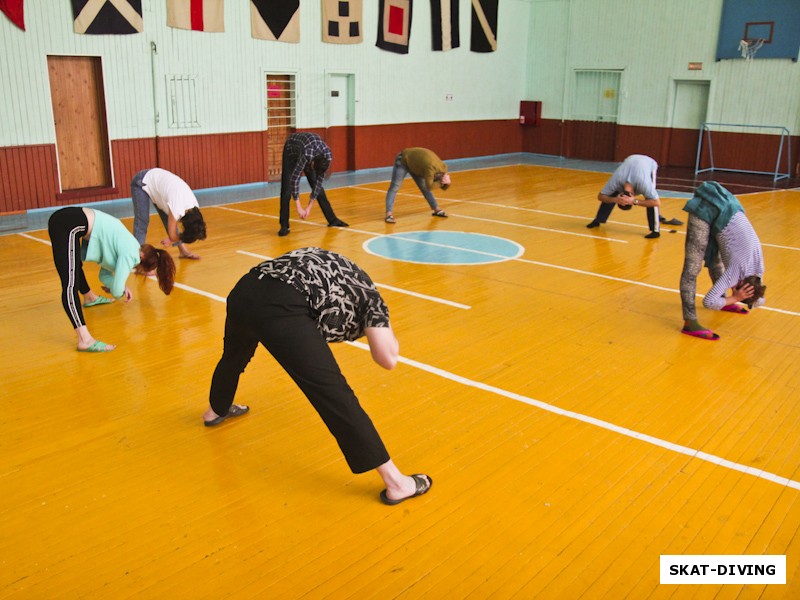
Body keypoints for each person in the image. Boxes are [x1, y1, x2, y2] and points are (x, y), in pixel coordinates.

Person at [202, 247, 432, 505]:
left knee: (234, 356)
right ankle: (397, 483)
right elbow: (387, 359)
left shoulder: (343, 271)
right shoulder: (372, 299)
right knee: (332, 392)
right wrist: (383, 325)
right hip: (282, 305)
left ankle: (216, 410)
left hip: (245, 290)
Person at [48, 206, 176, 352]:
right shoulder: (130, 254)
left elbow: (104, 275)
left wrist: (121, 287)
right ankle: (84, 339)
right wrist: (120, 290)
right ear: (142, 258)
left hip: (67, 219)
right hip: (69, 223)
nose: (136, 271)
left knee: (74, 265)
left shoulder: (131, 247)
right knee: (70, 284)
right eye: (142, 270)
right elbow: (116, 291)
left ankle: (90, 298)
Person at [679, 181, 766, 341]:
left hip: (730, 206)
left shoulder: (759, 269)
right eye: (735, 290)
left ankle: (724, 301)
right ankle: (689, 322)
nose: (733, 288)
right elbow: (708, 302)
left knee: (717, 259)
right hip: (708, 208)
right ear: (740, 283)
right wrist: (735, 298)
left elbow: (761, 299)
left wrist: (735, 297)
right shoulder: (735, 273)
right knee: (692, 269)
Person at [586, 154, 682, 239]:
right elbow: (600, 196)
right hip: (631, 159)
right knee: (610, 195)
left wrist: (635, 201)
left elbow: (657, 202)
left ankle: (655, 230)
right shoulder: (615, 182)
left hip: (649, 163)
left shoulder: (643, 184)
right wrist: (615, 199)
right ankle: (598, 220)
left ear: (633, 195)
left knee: (651, 199)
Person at [277, 132, 349, 236]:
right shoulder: (307, 154)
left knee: (318, 187)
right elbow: (295, 179)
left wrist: (309, 207)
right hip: (290, 151)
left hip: (308, 154)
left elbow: (318, 184)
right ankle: (284, 226)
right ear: (312, 163)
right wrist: (299, 207)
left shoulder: (327, 156)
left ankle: (333, 220)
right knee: (286, 190)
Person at [131, 168, 207, 259]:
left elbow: (174, 234)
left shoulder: (194, 207)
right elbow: (173, 235)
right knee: (142, 221)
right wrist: (172, 238)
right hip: (142, 181)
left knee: (170, 220)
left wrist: (173, 239)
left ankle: (183, 251)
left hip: (159, 186)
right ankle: (137, 258)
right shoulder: (177, 207)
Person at [384, 147, 451, 223]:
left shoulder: (444, 168)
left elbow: (442, 186)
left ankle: (436, 209)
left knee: (424, 187)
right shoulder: (429, 170)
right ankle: (388, 214)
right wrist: (442, 183)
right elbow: (429, 186)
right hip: (403, 159)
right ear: (434, 176)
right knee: (395, 187)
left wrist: (448, 183)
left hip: (416, 165)